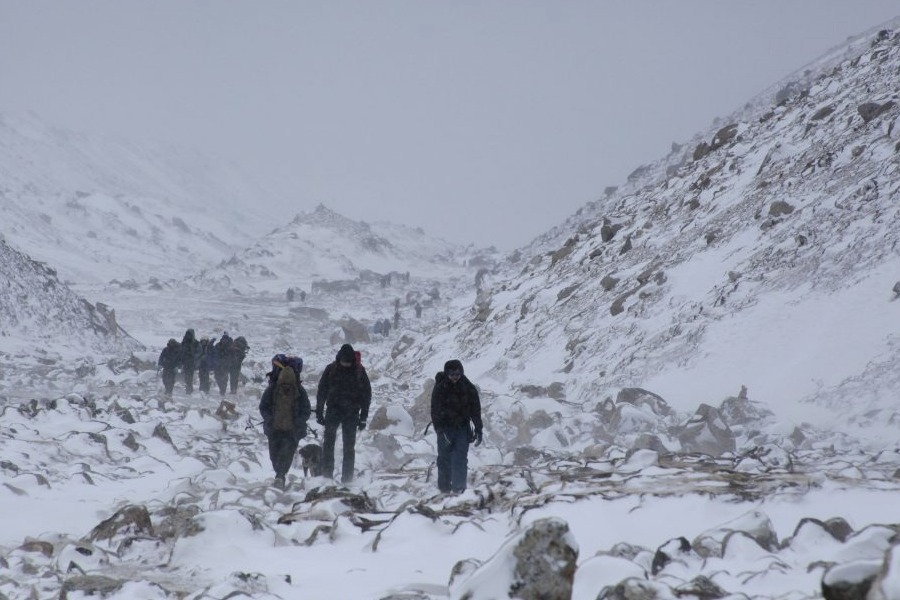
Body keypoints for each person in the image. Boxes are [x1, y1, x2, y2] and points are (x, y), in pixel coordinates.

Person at [315, 343, 372, 483]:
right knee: (328, 444)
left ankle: (347, 479)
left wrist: (363, 417)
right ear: (339, 359)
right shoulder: (331, 369)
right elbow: (321, 391)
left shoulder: (359, 371)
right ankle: (327, 477)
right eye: (343, 362)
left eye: (348, 362)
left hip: (351, 414)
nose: (346, 364)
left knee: (349, 447)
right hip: (333, 411)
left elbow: (366, 395)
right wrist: (319, 412)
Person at [430, 359, 483, 494]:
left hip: (462, 429)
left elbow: (475, 410)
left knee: (460, 459)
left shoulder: (468, 388)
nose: (455, 377)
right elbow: (435, 411)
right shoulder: (440, 388)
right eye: (452, 374)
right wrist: (439, 430)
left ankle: (459, 489)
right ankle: (444, 489)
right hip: (445, 429)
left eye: (458, 374)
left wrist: (478, 429)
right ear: (447, 373)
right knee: (444, 459)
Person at [259, 354, 311, 490]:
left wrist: (298, 422)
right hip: (275, 428)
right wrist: (270, 419)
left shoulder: (298, 391)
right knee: (274, 455)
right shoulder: (273, 390)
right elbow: (263, 406)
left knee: (286, 454)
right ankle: (279, 473)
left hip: (291, 430)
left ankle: (280, 476)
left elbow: (306, 410)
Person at [180, 329, 201, 394]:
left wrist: (194, 356)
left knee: (190, 376)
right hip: (185, 361)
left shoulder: (196, 343)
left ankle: (189, 388)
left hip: (192, 362)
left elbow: (199, 352)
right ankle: (188, 387)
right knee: (186, 376)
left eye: (190, 334)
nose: (188, 336)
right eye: (187, 334)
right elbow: (180, 351)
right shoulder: (184, 342)